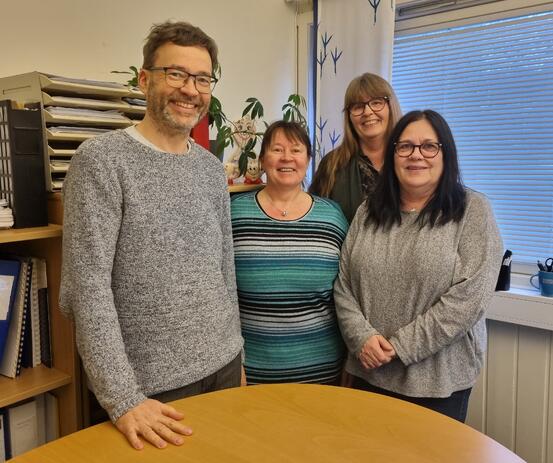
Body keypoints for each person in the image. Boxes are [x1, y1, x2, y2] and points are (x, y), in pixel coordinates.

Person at [59, 21, 243, 450]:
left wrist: (238, 353)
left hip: (225, 366)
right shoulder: (102, 162)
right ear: (145, 79)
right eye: (175, 74)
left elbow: (224, 268)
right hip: (152, 392)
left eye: (202, 79)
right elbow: (88, 290)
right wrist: (123, 399)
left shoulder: (210, 168)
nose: (190, 90)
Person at [334, 109, 503, 422]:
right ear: (394, 153)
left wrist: (398, 347)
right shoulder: (369, 210)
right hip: (366, 372)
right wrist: (361, 339)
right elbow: (343, 283)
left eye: (429, 146)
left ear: (445, 153)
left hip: (437, 385)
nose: (416, 155)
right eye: (405, 146)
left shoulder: (473, 211)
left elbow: (469, 299)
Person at [231, 121, 349, 385]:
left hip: (323, 372)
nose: (287, 158)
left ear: (308, 159)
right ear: (262, 159)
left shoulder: (332, 217)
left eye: (296, 150)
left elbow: (348, 292)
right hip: (250, 373)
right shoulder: (234, 214)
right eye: (277, 149)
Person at [309, 72, 402, 223]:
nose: (367, 112)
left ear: (391, 106)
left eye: (377, 102)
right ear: (349, 116)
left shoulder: (412, 160)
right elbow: (316, 218)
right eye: (358, 106)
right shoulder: (331, 165)